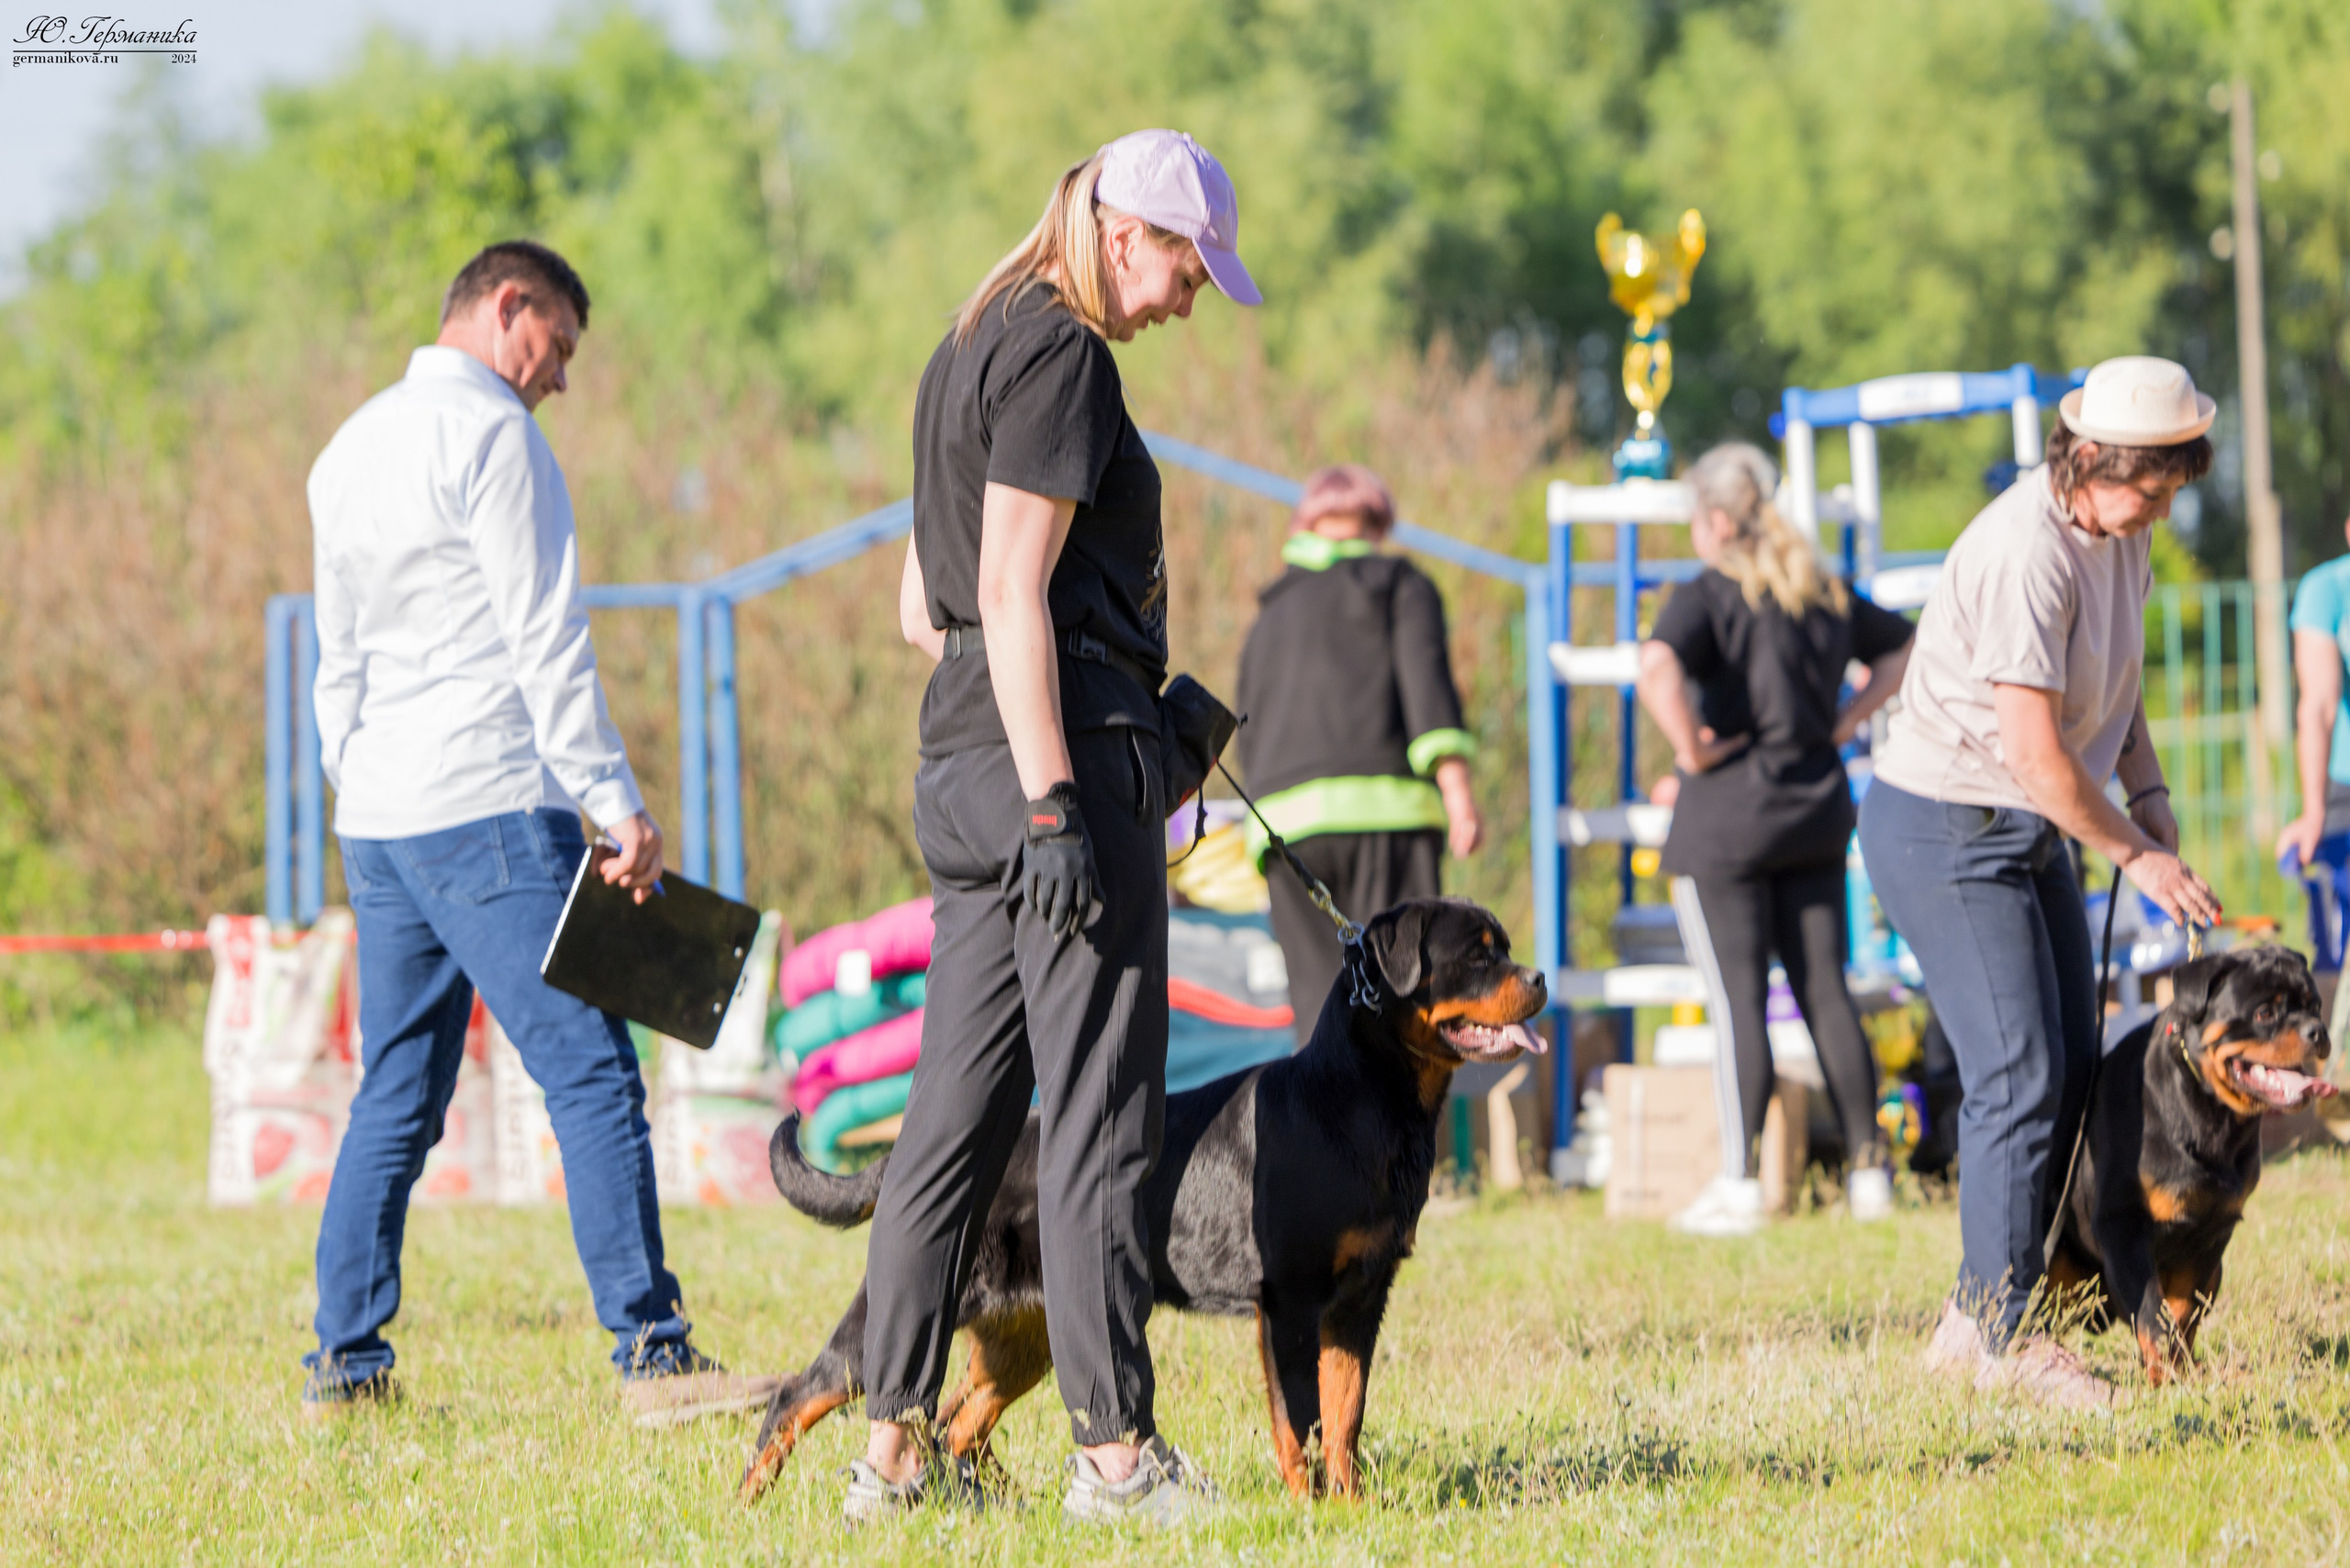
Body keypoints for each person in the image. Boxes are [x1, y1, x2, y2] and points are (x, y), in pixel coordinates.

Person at [854, 129, 1258, 1528]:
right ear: (1128, 232)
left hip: (962, 754)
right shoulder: (1065, 354)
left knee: (949, 1129)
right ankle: (1115, 1461)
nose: (1194, 297)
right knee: (1100, 1118)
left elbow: (931, 606)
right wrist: (1059, 791)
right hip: (1052, 771)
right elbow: (1016, 586)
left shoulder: (963, 344)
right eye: (1191, 265)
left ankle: (890, 1456)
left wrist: (1039, 731)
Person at [304, 241, 773, 1424]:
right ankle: (653, 1355)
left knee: (396, 1093)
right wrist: (615, 801)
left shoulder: (348, 445)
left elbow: (337, 657)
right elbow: (544, 643)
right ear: (505, 305)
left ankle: (345, 1366)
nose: (557, 376)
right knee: (593, 1072)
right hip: (490, 800)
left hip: (381, 817)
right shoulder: (497, 441)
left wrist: (353, 793)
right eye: (554, 343)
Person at [1858, 355, 2221, 1409]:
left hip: (2029, 823)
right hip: (1946, 823)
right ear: (2095, 460)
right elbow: (2034, 753)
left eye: (2172, 485)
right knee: (2016, 1069)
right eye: (2152, 483)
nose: (2162, 504)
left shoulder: (2122, 533)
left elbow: (2119, 687)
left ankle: (1970, 1326)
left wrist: (2147, 794)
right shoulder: (2027, 551)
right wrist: (2135, 855)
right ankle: (2004, 1338)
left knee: (2068, 1061)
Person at [1635, 442, 1914, 1237]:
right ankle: (1869, 1173)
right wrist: (1845, 724)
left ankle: (1739, 1180)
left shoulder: (1707, 593)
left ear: (1718, 519)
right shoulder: (1820, 587)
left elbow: (1655, 667)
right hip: (1816, 813)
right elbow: (1904, 649)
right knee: (1827, 989)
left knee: (1737, 1003)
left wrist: (1689, 750)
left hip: (1727, 820)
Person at [1234, 465, 1483, 1037]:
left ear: (1309, 524)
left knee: (1323, 1018)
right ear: (1376, 522)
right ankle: (1404, 1131)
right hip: (1384, 815)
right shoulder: (1397, 582)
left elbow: (1246, 728)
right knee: (1405, 1008)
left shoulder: (1267, 616)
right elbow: (1427, 691)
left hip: (1288, 832)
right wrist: (1459, 794)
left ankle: (1319, 1130)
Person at [2277, 511, 2350, 1047]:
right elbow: (2319, 705)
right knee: (2337, 945)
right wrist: (2313, 812)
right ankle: (2337, 1074)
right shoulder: (2327, 590)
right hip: (2343, 784)